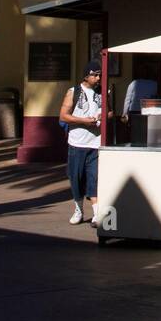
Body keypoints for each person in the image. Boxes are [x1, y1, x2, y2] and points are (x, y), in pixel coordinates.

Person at [59, 61, 103, 225]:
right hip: (77, 143)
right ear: (86, 76)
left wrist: (102, 116)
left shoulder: (103, 93)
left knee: (94, 178)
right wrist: (83, 121)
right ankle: (78, 209)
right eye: (95, 74)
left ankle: (97, 213)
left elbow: (111, 112)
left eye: (99, 74)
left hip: (95, 143)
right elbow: (63, 115)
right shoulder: (73, 92)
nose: (98, 78)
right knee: (76, 177)